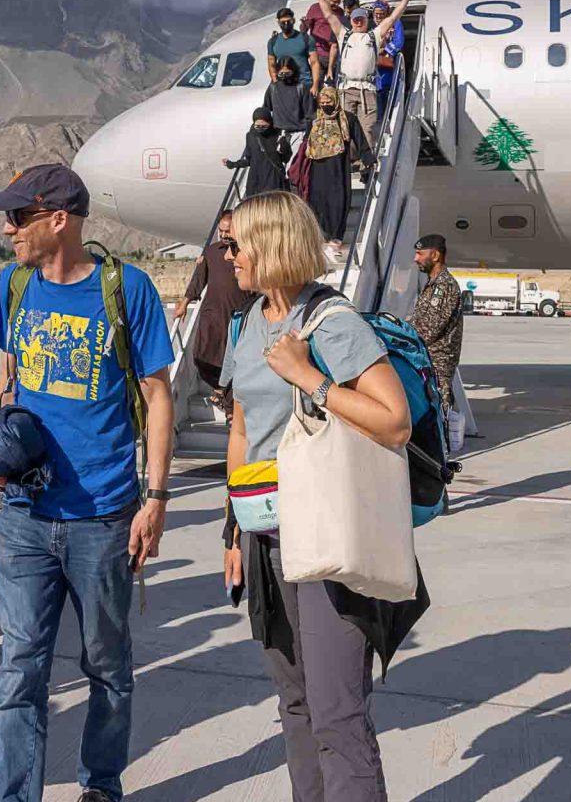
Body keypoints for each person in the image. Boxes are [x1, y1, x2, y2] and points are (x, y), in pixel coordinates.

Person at [0, 163, 176, 802]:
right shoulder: (13, 285)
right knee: (19, 672)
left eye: (19, 217)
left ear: (58, 220)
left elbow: (158, 395)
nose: (8, 230)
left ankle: (102, 784)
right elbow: (8, 379)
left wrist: (157, 496)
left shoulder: (128, 289)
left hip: (103, 516)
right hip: (25, 515)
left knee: (108, 668)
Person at [217, 191, 423, 802]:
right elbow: (243, 428)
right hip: (267, 536)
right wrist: (233, 530)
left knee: (337, 711)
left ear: (273, 245)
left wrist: (310, 378)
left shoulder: (334, 323)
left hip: (328, 535)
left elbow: (395, 421)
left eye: (236, 244)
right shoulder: (250, 321)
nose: (227, 256)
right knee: (296, 702)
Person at [310, 0, 419, 170]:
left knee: (367, 126)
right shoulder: (344, 35)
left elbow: (393, 17)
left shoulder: (374, 35)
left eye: (362, 19)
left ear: (366, 21)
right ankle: (350, 159)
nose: (359, 22)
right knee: (345, 127)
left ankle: (366, 164)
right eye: (355, 19)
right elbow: (328, 15)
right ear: (351, 20)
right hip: (346, 89)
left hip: (367, 89)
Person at [172, 210, 253, 405]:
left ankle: (226, 399)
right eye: (221, 231)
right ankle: (219, 390)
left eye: (228, 231)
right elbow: (198, 280)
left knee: (232, 359)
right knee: (201, 356)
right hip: (212, 314)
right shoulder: (211, 252)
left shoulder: (244, 253)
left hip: (237, 314)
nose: (224, 235)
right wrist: (184, 304)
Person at [411, 235, 465, 457]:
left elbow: (429, 328)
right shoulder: (432, 284)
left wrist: (403, 334)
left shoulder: (445, 286)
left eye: (420, 254)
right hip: (428, 360)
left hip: (438, 362)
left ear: (435, 255)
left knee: (439, 412)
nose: (416, 259)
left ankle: (440, 458)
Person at [300, 88, 370, 251]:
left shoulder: (347, 118)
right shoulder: (314, 120)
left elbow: (359, 139)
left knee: (338, 201)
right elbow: (306, 142)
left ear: (336, 101)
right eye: (322, 103)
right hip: (317, 169)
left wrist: (368, 159)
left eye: (329, 102)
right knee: (317, 202)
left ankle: (336, 236)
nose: (325, 106)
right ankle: (320, 235)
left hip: (338, 169)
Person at [266, 9, 321, 131]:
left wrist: (315, 84)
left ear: (294, 21)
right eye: (283, 22)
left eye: (289, 21)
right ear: (278, 22)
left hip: (305, 84)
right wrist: (275, 81)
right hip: (284, 86)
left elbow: (314, 62)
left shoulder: (306, 39)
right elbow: (271, 63)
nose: (286, 24)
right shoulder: (273, 42)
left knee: (309, 121)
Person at [225, 107, 293, 198]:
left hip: (273, 181)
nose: (261, 129)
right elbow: (249, 159)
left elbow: (285, 158)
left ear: (270, 122)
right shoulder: (251, 136)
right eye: (257, 126)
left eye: (264, 126)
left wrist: (284, 147)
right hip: (255, 182)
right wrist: (232, 164)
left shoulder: (278, 136)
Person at [303, 0, 345, 82]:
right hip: (319, 54)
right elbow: (305, 28)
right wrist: (304, 24)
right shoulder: (315, 8)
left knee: (335, 85)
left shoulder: (340, 12)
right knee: (317, 83)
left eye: (338, 2)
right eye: (333, 1)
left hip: (334, 55)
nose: (335, 4)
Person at [368, 0, 406, 102]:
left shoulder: (395, 23)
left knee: (388, 92)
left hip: (389, 64)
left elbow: (399, 42)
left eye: (382, 13)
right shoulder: (369, 25)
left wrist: (384, 50)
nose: (379, 16)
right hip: (373, 66)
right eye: (377, 13)